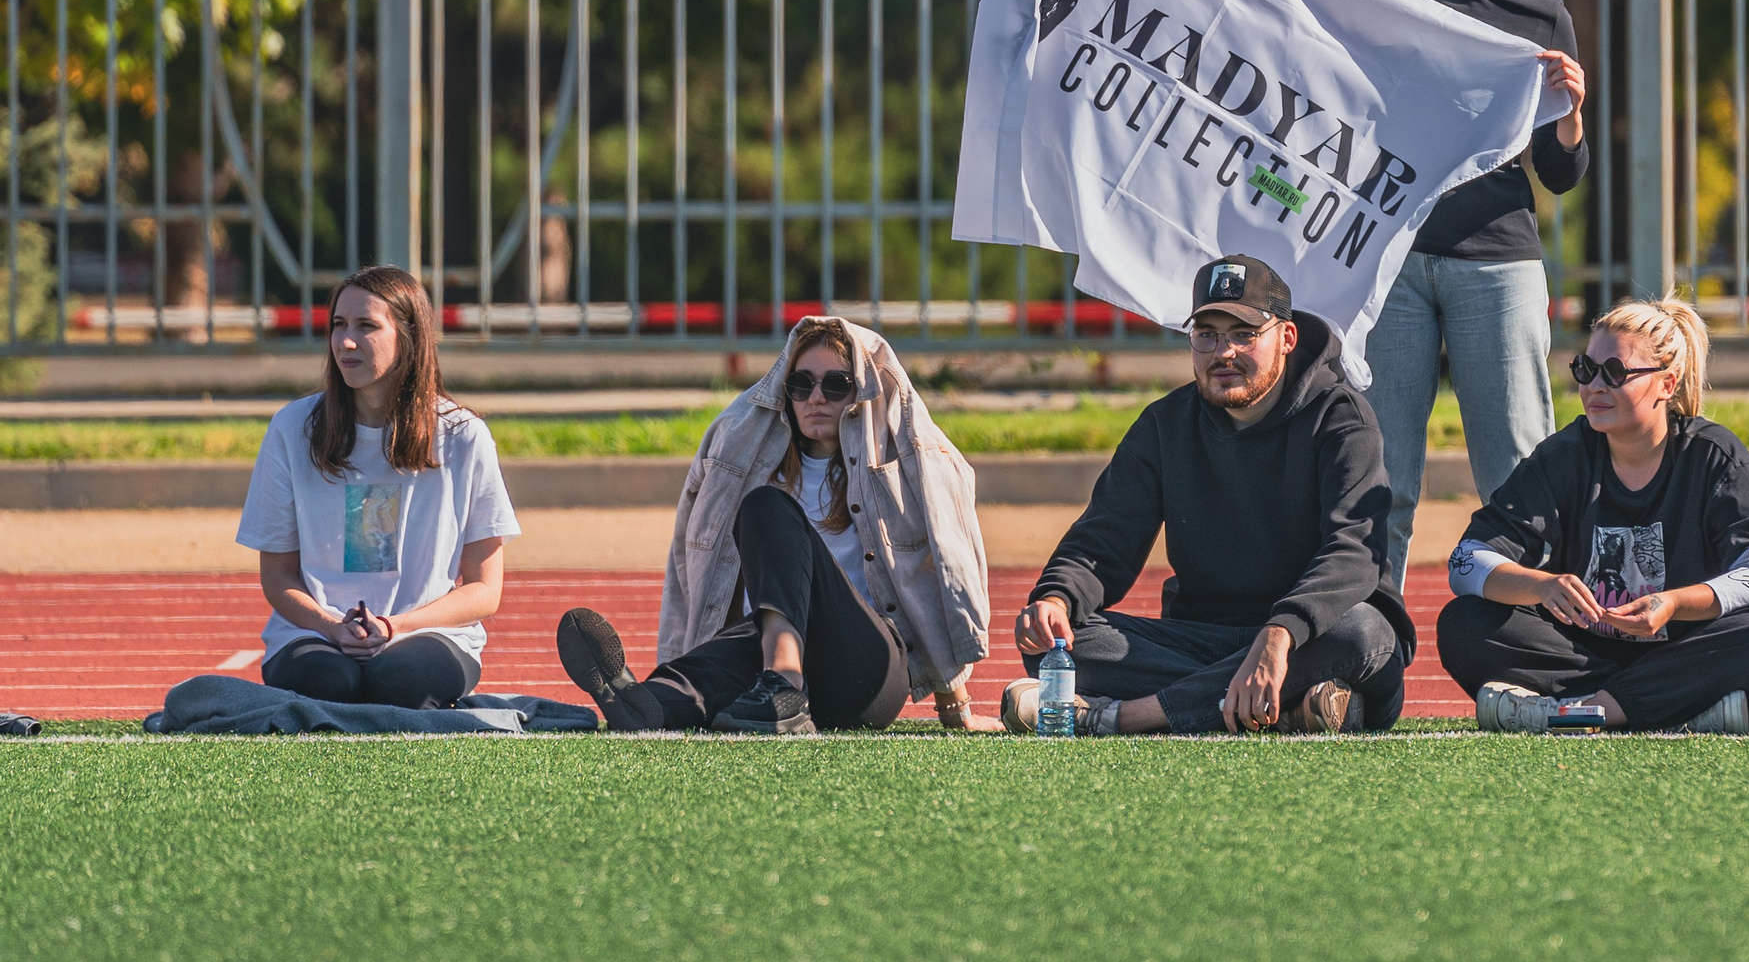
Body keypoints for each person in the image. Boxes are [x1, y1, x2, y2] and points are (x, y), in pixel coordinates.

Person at [1005, 254, 1414, 735]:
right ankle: (1288, 706)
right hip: (1203, 640)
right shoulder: (1164, 424)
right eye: (1207, 335)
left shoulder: (1342, 417)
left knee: (1363, 631)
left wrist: (1281, 631)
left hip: (1310, 637)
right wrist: (1056, 598)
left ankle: (1128, 716)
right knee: (1059, 644)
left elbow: (1354, 552)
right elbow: (1102, 542)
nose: (1223, 352)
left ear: (1286, 338)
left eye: (1244, 334)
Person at [555, 316, 996, 734]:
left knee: (768, 508)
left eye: (836, 384)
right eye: (801, 385)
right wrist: (683, 652)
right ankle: (645, 703)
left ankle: (783, 678)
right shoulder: (751, 467)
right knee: (702, 673)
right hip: (763, 660)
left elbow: (938, 566)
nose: (816, 398)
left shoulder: (898, 472)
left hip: (865, 669)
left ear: (860, 392)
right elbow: (688, 560)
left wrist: (955, 705)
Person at [1360, 0, 1588, 591]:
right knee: (1376, 480)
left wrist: (1571, 115)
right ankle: (1361, 645)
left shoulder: (1540, 15)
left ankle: (1535, 645)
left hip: (1498, 263)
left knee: (1520, 473)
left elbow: (1559, 175)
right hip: (1390, 261)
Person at [1437, 297, 1749, 734]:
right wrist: (1541, 586)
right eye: (1585, 369)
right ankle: (1677, 711)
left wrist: (1674, 603)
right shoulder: (1564, 456)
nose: (1594, 386)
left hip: (1687, 651)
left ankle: (1589, 710)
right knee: (1464, 623)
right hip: (1584, 655)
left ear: (1666, 383)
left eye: (1615, 373)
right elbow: (1467, 559)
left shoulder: (1713, 456)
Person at [234, 265, 516, 709]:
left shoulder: (464, 436)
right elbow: (278, 575)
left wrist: (394, 626)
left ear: (409, 337)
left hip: (429, 635)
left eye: (366, 326)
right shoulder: (292, 428)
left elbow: (485, 588)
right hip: (313, 635)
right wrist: (331, 627)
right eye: (338, 325)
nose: (346, 341)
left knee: (399, 684)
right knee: (331, 685)